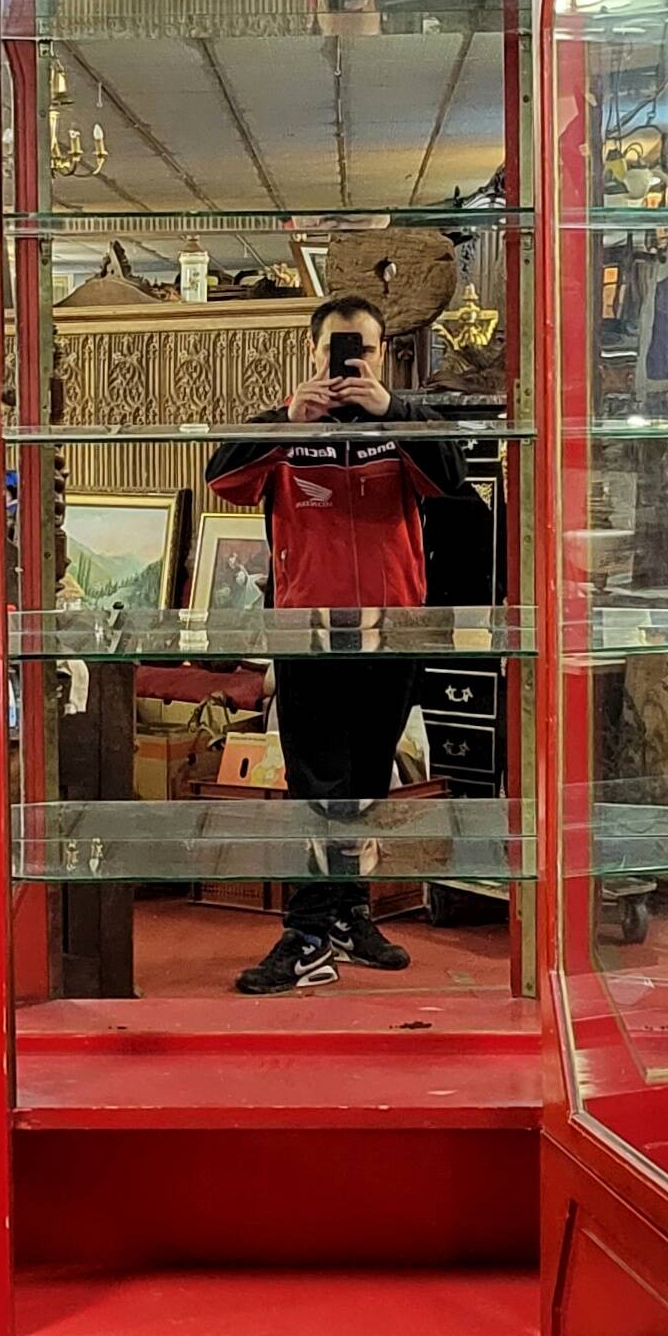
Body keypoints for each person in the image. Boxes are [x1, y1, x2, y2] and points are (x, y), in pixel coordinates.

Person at [204, 294, 476, 993]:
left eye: (364, 348)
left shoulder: (404, 426)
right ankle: (305, 934)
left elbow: (453, 480)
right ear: (315, 353)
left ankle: (349, 913)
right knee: (314, 788)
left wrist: (394, 410)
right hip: (310, 635)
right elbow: (219, 474)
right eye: (337, 349)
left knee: (365, 781)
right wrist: (284, 418)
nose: (350, 360)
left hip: (392, 635)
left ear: (382, 354)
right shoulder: (287, 431)